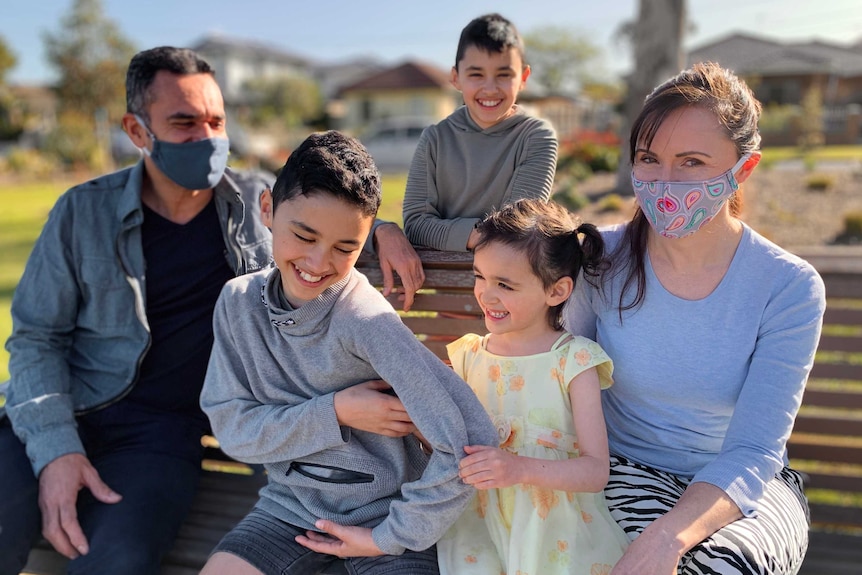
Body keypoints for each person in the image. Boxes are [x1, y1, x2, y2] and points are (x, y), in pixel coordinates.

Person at [0, 47, 423, 575]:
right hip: (61, 412)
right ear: (136, 130)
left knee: (115, 561)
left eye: (216, 120)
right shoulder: (81, 212)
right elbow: (36, 341)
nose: (206, 137)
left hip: (159, 437)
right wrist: (57, 450)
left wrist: (381, 229)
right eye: (184, 122)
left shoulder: (253, 201)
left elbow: (328, 204)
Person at [564, 62, 826, 575]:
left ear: (743, 169)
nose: (663, 182)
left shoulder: (788, 287)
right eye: (648, 158)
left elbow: (754, 449)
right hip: (619, 471)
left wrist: (668, 538)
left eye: (691, 162)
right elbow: (557, 379)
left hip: (741, 486)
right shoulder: (599, 258)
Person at [198, 130, 498, 575]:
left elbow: (470, 441)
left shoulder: (366, 321)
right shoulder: (238, 304)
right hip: (288, 512)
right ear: (267, 210)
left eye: (345, 248)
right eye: (304, 235)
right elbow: (234, 429)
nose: (319, 263)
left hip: (387, 523)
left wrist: (390, 535)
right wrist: (336, 411)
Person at [436, 198, 630, 574]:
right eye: (480, 276)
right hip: (479, 527)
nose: (486, 295)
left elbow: (595, 471)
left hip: (554, 531)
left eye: (505, 285)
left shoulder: (573, 361)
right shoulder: (469, 357)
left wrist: (518, 468)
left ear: (556, 292)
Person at [402, 13, 558, 252]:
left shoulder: (536, 136)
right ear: (456, 78)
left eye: (503, 75)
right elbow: (415, 226)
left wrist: (451, 233)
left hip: (512, 283)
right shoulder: (435, 139)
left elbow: (518, 226)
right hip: (443, 281)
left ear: (524, 78)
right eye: (476, 74)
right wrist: (484, 233)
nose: (490, 89)